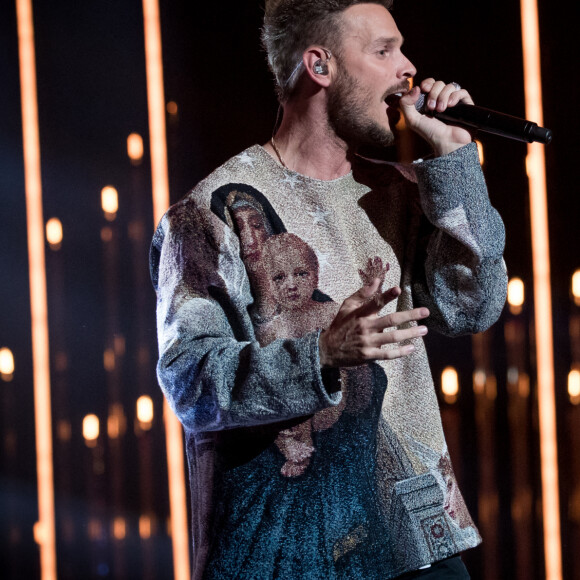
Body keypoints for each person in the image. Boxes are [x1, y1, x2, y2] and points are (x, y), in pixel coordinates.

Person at [149, 0, 508, 578]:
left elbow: (475, 307)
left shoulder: (398, 192)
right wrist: (321, 354)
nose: (408, 69)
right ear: (320, 66)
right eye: (384, 51)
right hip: (292, 555)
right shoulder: (208, 213)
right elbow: (190, 381)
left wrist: (454, 162)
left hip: (417, 541)